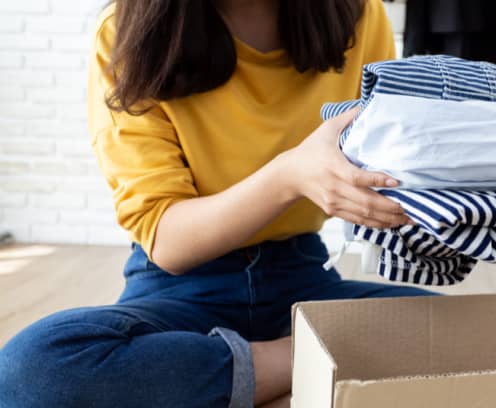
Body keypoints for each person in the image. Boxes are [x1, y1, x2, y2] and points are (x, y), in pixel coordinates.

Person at [0, 1, 437, 407]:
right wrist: (289, 176)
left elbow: (384, 167)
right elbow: (168, 240)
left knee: (465, 330)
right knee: (31, 370)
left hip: (302, 277)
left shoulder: (361, 15)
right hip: (180, 289)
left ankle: (226, 373)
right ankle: (303, 359)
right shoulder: (127, 33)